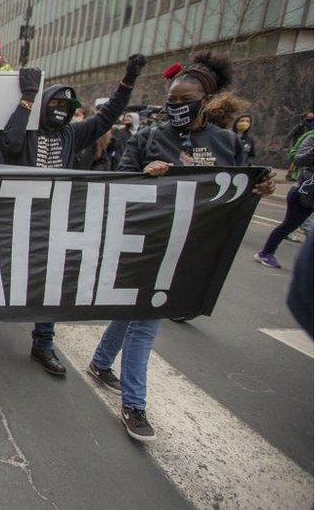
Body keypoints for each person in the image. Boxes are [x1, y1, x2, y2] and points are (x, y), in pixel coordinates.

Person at [90, 52, 276, 442]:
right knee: (145, 321)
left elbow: (238, 192)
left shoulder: (228, 143)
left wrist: (259, 189)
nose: (175, 106)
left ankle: (100, 362)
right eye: (170, 100)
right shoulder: (148, 139)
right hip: (148, 246)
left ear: (206, 101)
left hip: (190, 248)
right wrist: (146, 175)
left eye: (183, 100)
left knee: (134, 312)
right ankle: (135, 404)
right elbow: (121, 186)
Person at [0, 55, 147, 375]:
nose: (60, 109)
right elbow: (10, 142)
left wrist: (127, 82)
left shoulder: (72, 134)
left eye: (66, 105)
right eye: (54, 102)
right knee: (4, 268)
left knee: (51, 282)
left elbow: (106, 118)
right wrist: (27, 99)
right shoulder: (27, 130)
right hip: (17, 216)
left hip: (55, 220)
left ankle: (43, 342)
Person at [256, 134, 313, 268]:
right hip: (304, 193)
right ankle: (265, 253)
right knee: (289, 226)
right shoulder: (312, 138)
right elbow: (298, 160)